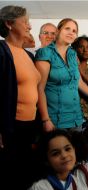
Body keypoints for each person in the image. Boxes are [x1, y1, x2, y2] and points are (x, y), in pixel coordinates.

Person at [35, 18, 88, 132]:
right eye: (67, 28)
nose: (71, 32)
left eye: (74, 31)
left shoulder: (72, 54)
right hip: (55, 119)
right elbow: (39, 88)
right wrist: (45, 119)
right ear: (58, 31)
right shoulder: (45, 53)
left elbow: (79, 82)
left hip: (76, 117)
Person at [0, 5, 41, 189]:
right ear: (9, 23)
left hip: (29, 125)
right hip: (11, 127)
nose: (29, 26)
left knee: (26, 177)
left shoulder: (26, 54)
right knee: (11, 177)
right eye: (24, 22)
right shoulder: (2, 51)